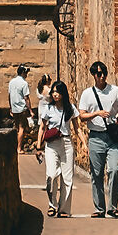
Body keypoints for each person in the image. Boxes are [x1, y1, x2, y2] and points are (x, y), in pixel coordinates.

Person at [77, 60, 118, 218]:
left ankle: (112, 207)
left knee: (114, 170)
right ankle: (99, 208)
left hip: (112, 136)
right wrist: (97, 113)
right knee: (96, 174)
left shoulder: (115, 91)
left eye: (104, 72)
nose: (102, 76)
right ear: (94, 75)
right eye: (99, 73)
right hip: (96, 137)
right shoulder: (87, 94)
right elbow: (82, 115)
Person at [38, 79, 75, 217]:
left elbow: (76, 129)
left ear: (63, 93)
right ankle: (52, 204)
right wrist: (38, 146)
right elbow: (42, 128)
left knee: (67, 178)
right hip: (51, 145)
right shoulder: (48, 108)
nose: (55, 94)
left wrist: (84, 143)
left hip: (66, 143)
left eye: (58, 92)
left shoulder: (70, 108)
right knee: (51, 175)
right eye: (53, 92)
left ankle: (64, 209)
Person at [8, 63, 32, 150]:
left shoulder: (11, 82)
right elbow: (26, 98)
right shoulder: (24, 83)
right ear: (22, 72)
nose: (26, 75)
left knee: (16, 128)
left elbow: (9, 95)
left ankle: (15, 147)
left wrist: (10, 107)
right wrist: (30, 110)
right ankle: (19, 148)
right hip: (22, 108)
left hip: (14, 108)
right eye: (25, 73)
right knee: (21, 128)